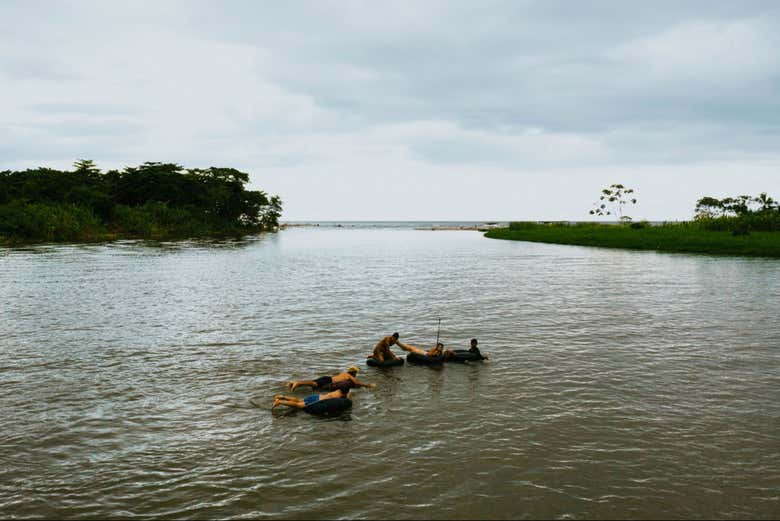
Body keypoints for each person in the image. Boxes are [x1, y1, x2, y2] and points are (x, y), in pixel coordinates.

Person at [286, 366, 376, 392]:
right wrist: (368, 385)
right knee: (313, 384)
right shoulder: (350, 376)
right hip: (328, 381)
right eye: (356, 373)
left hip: (328, 378)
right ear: (354, 373)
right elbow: (357, 383)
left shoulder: (344, 373)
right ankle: (298, 383)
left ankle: (294, 383)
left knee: (313, 383)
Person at [272, 387, 352, 410]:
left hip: (317, 396)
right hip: (317, 401)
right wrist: (348, 395)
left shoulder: (337, 390)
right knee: (298, 405)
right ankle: (280, 402)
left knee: (298, 400)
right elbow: (347, 400)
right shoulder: (341, 396)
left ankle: (283, 397)